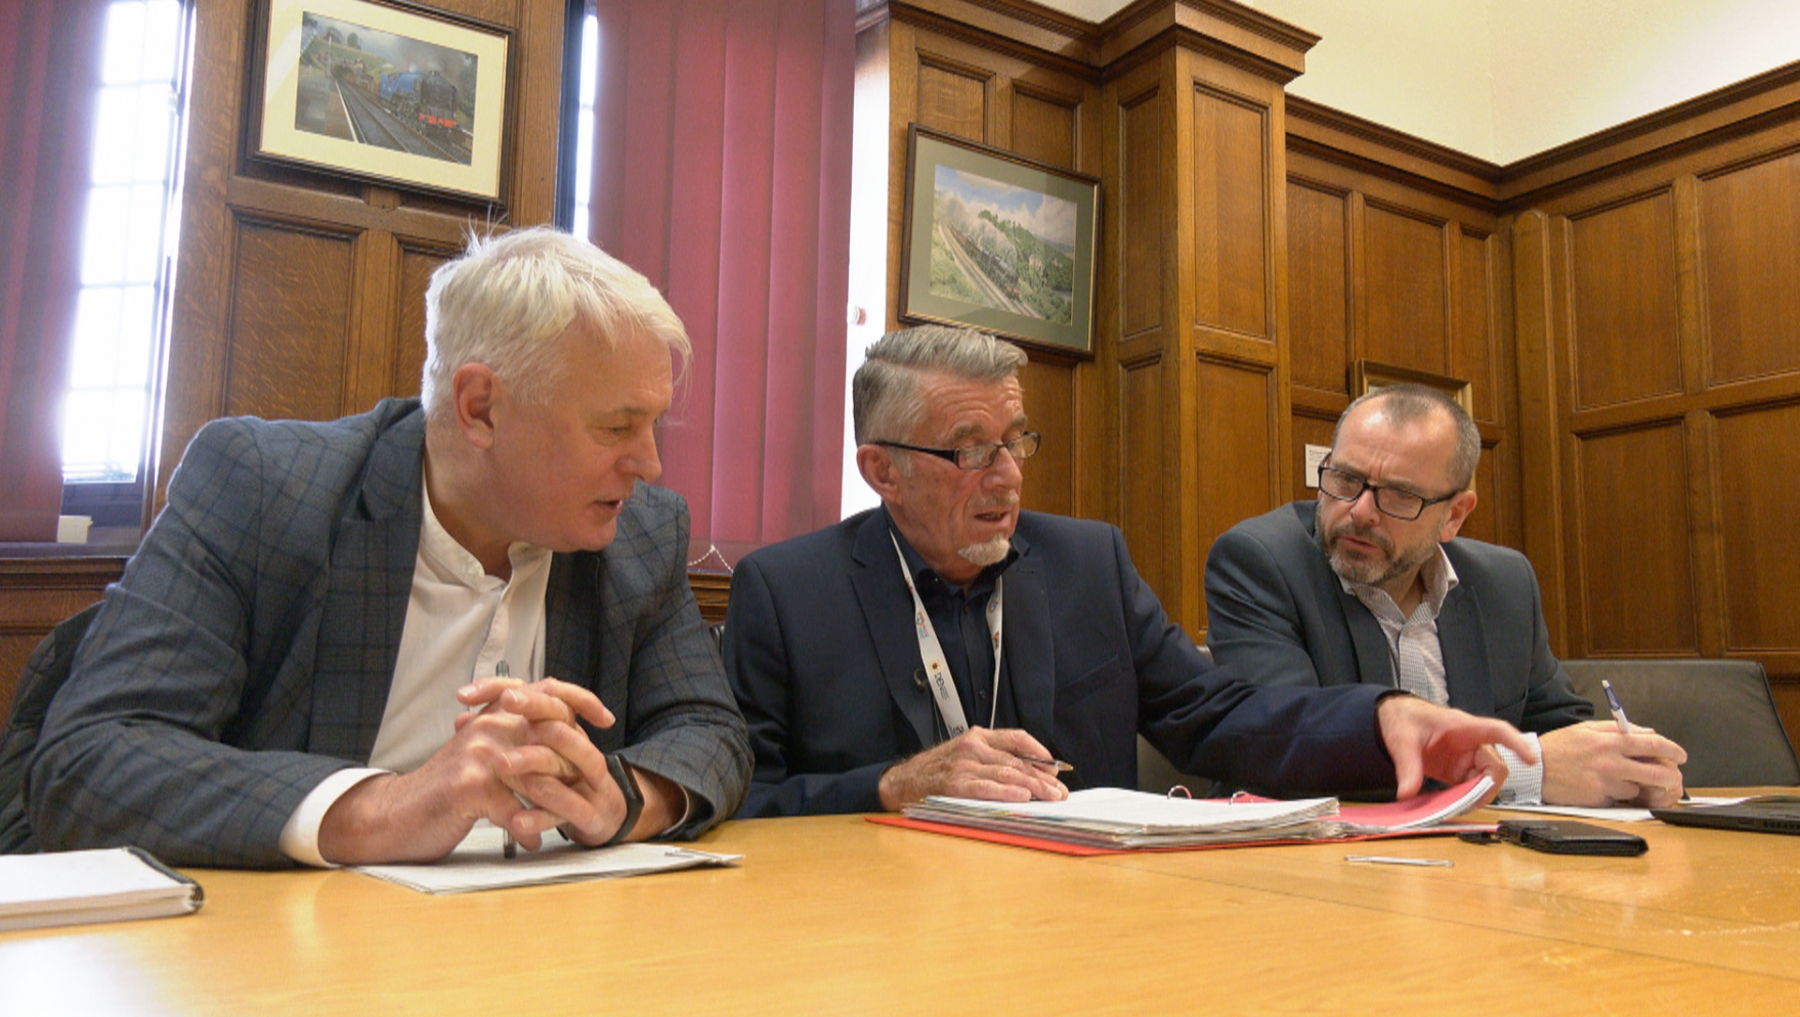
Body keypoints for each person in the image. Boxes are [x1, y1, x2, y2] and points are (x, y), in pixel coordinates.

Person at [25, 228, 751, 867]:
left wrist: (623, 796)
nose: (651, 464)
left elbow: (711, 732)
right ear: (481, 408)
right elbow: (92, 758)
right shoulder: (266, 488)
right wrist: (385, 808)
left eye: (655, 424)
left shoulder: (641, 532)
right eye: (617, 427)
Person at [723, 326, 1534, 817]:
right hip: (877, 931)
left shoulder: (1088, 563)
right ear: (882, 469)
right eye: (971, 450)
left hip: (1084, 925)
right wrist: (893, 784)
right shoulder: (788, 593)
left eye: (1017, 439)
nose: (1007, 475)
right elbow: (743, 799)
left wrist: (1380, 719)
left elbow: (1216, 716)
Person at [1204, 383, 1687, 807]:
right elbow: (1292, 748)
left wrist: (1620, 770)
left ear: (1455, 514)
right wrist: (1528, 769)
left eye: (1398, 495)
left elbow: (1560, 731)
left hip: (1479, 880)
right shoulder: (1261, 563)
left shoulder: (1504, 583)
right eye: (1346, 479)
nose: (1360, 511)